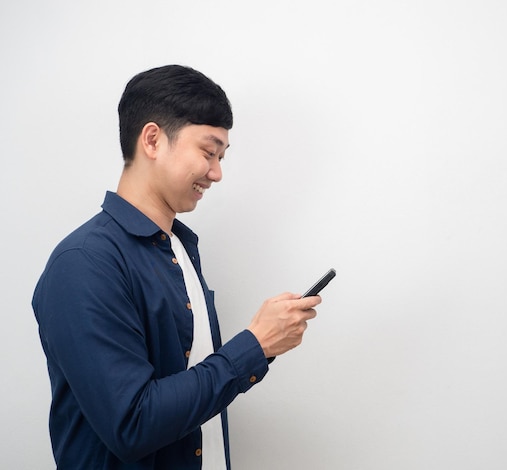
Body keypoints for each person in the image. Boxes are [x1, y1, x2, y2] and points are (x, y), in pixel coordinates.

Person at [32, 64, 321, 470]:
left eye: (222, 156)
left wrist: (266, 343)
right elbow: (133, 424)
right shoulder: (83, 264)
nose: (217, 173)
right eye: (208, 152)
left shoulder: (181, 247)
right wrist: (253, 346)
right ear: (152, 139)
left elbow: (193, 385)